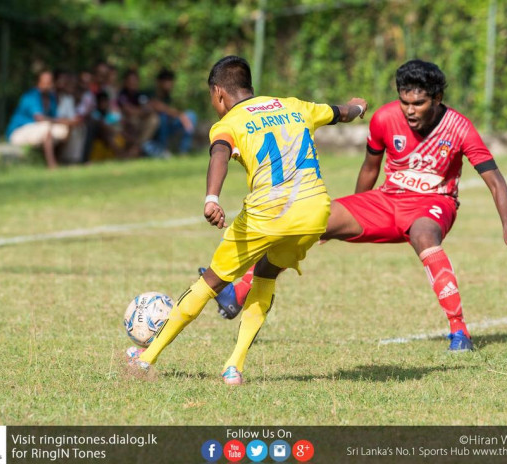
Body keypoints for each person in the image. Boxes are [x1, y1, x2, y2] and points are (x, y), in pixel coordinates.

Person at [211, 59, 507, 352]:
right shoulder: (384, 118)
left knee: (424, 236)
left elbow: (494, 179)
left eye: (419, 103)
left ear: (436, 99)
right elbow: (370, 168)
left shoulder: (460, 128)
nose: (410, 110)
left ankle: (459, 332)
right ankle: (238, 291)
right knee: (308, 220)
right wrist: (348, 211)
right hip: (387, 200)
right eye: (405, 101)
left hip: (434, 204)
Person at [127, 55, 367, 385]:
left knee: (210, 283)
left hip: (267, 212)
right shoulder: (293, 105)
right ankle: (234, 367)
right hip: (315, 212)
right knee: (266, 274)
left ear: (218, 93)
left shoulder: (230, 123)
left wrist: (212, 197)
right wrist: (357, 106)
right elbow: (340, 113)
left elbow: (220, 154)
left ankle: (146, 358)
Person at [5, 70, 72, 169]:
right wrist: (61, 120)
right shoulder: (31, 96)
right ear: (39, 82)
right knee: (46, 127)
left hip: (38, 130)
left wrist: (65, 122)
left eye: (50, 82)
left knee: (63, 129)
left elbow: (54, 117)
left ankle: (61, 161)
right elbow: (39, 118)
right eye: (46, 82)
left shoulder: (51, 98)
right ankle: (52, 165)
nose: (48, 84)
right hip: (18, 132)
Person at [144, 68, 197, 155]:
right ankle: (163, 149)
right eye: (167, 81)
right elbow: (158, 106)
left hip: (169, 126)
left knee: (191, 115)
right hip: (155, 131)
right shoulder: (150, 93)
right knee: (163, 117)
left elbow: (171, 110)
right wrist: (180, 115)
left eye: (171, 81)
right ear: (159, 82)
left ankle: (184, 151)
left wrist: (182, 116)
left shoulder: (168, 96)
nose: (170, 84)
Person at [117, 69, 158, 158]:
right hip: (125, 122)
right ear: (125, 81)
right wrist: (141, 111)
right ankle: (134, 150)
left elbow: (149, 109)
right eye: (130, 80)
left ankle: (137, 147)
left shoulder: (140, 95)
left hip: (140, 120)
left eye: (134, 80)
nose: (132, 83)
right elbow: (128, 111)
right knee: (133, 120)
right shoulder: (122, 94)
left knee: (154, 119)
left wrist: (139, 111)